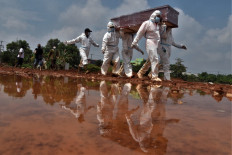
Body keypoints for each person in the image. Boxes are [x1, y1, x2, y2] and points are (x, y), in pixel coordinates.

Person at [131, 10, 162, 82]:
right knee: (155, 59)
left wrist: (161, 47)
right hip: (150, 42)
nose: (159, 18)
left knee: (152, 60)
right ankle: (154, 77)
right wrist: (134, 42)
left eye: (160, 17)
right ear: (154, 16)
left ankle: (141, 73)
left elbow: (158, 37)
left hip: (156, 43)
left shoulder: (157, 25)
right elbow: (140, 33)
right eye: (158, 16)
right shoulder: (146, 23)